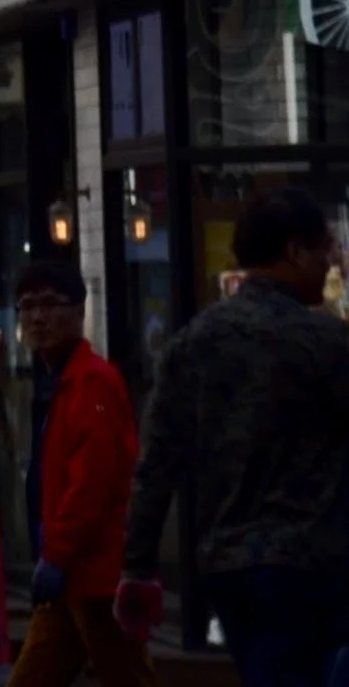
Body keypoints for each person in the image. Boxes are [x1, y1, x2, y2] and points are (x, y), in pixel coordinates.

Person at [117, 187, 349, 687]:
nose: (330, 262)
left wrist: (138, 566)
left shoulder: (193, 343)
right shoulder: (328, 344)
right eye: (323, 249)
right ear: (294, 251)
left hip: (226, 566)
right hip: (314, 563)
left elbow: (156, 465)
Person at [0, 257, 149, 687]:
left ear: (79, 312)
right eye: (27, 306)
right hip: (67, 576)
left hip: (95, 575)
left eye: (50, 304)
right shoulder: (55, 382)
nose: (38, 317)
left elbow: (92, 482)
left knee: (128, 676)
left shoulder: (91, 382)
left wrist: (58, 553)